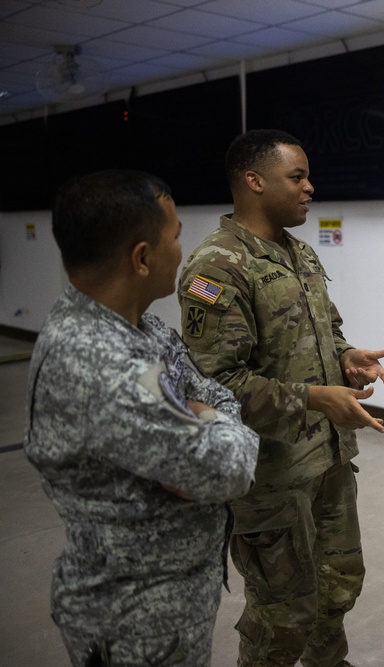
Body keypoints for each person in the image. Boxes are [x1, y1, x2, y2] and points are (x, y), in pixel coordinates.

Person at [24, 170, 260, 667]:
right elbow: (226, 469)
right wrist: (212, 423)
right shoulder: (97, 363)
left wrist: (203, 414)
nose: (182, 248)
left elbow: (208, 391)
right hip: (135, 622)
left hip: (171, 602)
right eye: (174, 237)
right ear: (142, 257)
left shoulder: (140, 327)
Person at [178, 129, 384, 667]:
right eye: (297, 177)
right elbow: (214, 385)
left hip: (328, 460)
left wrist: (346, 355)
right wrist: (315, 397)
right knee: (283, 614)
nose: (309, 187)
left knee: (338, 586)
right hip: (269, 478)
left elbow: (327, 329)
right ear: (253, 181)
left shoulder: (298, 255)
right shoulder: (218, 267)